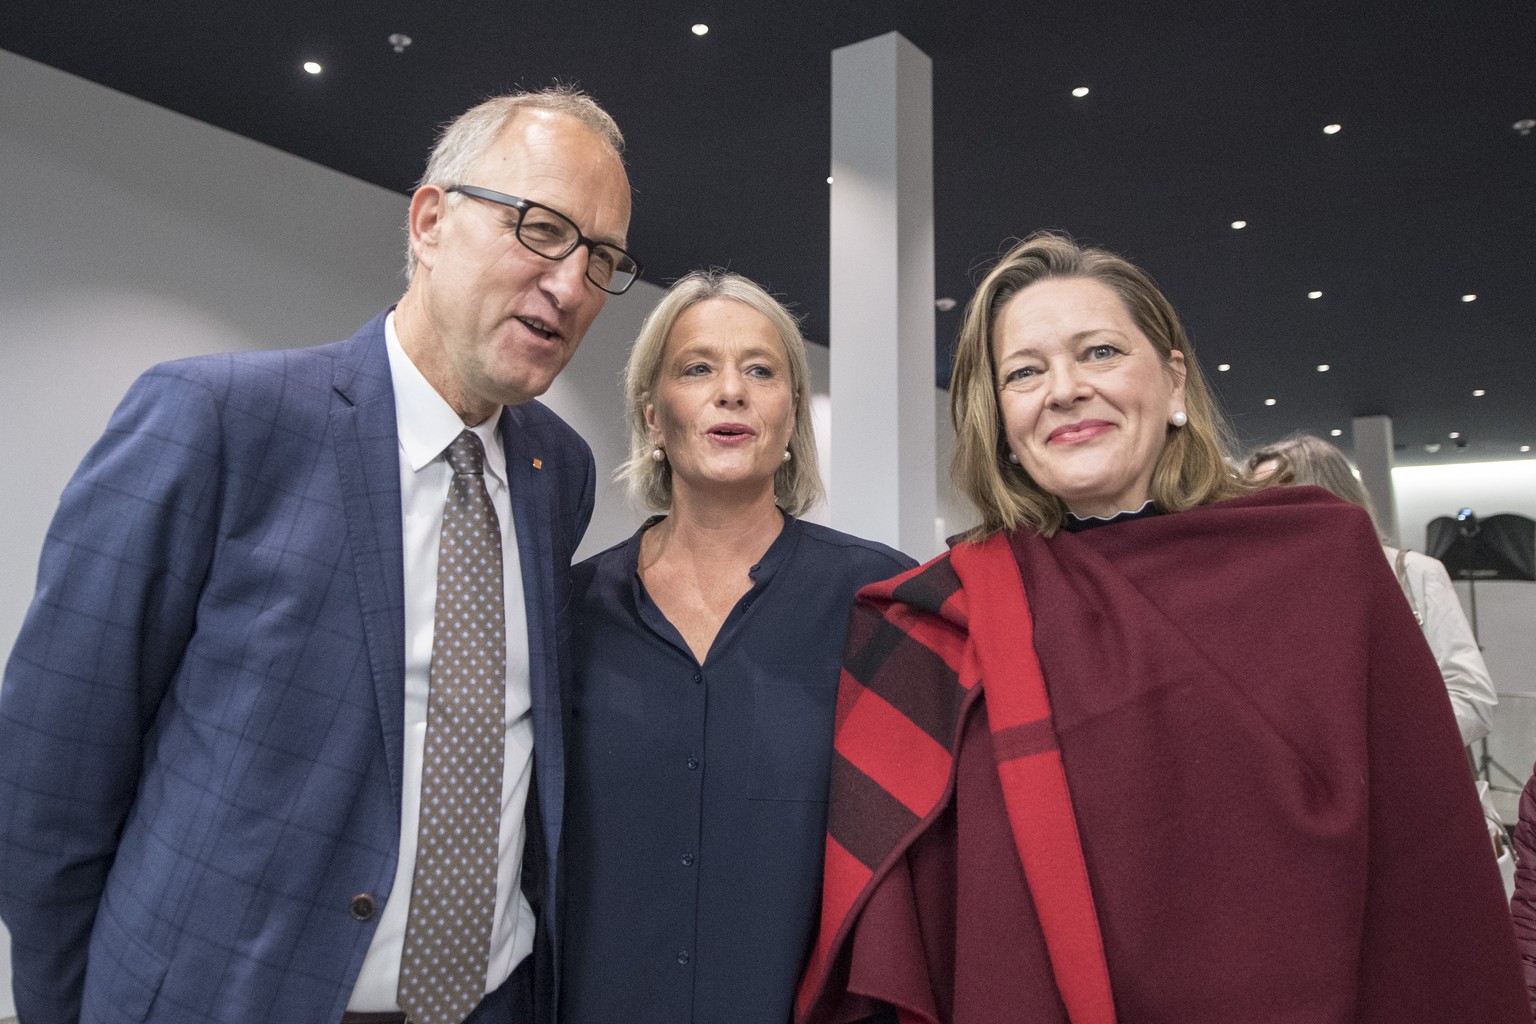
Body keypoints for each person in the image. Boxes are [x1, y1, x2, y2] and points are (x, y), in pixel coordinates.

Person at [0, 86, 638, 1024]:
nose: (572, 285)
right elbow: (48, 777)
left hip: (495, 999)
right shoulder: (216, 423)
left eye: (603, 258)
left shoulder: (558, 472)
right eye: (541, 230)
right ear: (430, 220)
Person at [795, 232, 1527, 1023]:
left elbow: (1424, 860)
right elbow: (920, 907)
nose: (1065, 389)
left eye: (1100, 351)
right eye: (1025, 372)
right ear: (1000, 420)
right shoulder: (940, 616)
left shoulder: (1324, 566)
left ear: (1174, 380)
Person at [560, 270, 914, 1024]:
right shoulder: (570, 610)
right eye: (698, 368)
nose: (732, 391)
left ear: (791, 417)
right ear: (654, 416)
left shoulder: (878, 599)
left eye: (761, 370)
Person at [1246, 433, 1497, 747]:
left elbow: (1473, 700)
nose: (1260, 514)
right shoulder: (1262, 595)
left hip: (1405, 782)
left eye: (1277, 498)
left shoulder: (1414, 573)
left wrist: (1381, 748)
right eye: (1254, 500)